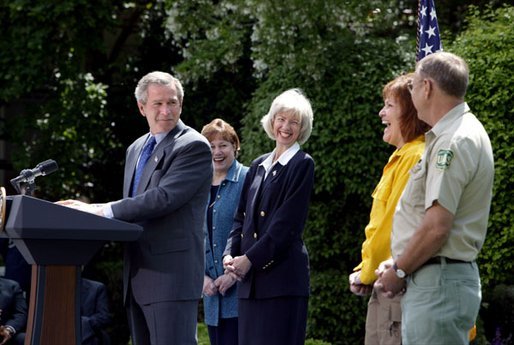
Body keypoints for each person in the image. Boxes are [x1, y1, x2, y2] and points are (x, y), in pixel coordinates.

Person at [58, 71, 213, 345]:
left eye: (173, 102)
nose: (166, 110)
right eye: (158, 103)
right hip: (137, 276)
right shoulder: (135, 149)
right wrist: (91, 212)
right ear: (142, 107)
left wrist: (98, 209)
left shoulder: (193, 146)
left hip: (171, 278)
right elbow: (133, 210)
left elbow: (163, 198)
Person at [376, 52, 494, 345]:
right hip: (436, 281)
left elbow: (437, 226)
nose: (412, 91)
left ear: (427, 87)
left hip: (437, 285)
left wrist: (399, 270)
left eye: (414, 85)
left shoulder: (454, 140)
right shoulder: (452, 134)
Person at [223, 88, 315, 345]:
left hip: (281, 283)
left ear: (302, 128)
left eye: (294, 122)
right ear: (272, 120)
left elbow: (286, 225)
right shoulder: (257, 165)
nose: (285, 127)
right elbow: (240, 218)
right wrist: (230, 254)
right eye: (281, 119)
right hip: (251, 285)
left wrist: (249, 259)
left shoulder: (302, 164)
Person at [349, 73, 430, 345]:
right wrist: (367, 269)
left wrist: (367, 272)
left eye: (390, 105)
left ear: (411, 111)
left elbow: (394, 226)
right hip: (385, 283)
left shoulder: (414, 156)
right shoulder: (402, 156)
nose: (382, 112)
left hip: (398, 285)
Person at [200, 119, 248, 345]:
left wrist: (233, 275)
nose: (217, 152)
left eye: (223, 145)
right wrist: (200, 278)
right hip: (210, 296)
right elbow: (191, 236)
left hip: (242, 293)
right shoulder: (196, 186)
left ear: (235, 147)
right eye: (210, 146)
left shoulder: (249, 179)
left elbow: (254, 233)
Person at [81, 278, 112, 345]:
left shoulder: (97, 288)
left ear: (82, 267)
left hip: (90, 338)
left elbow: (104, 317)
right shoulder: (56, 289)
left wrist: (84, 322)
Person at [0, 277, 27, 345]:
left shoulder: (12, 286)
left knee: (24, 339)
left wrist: (8, 329)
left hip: (3, 334)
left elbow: (20, 314)